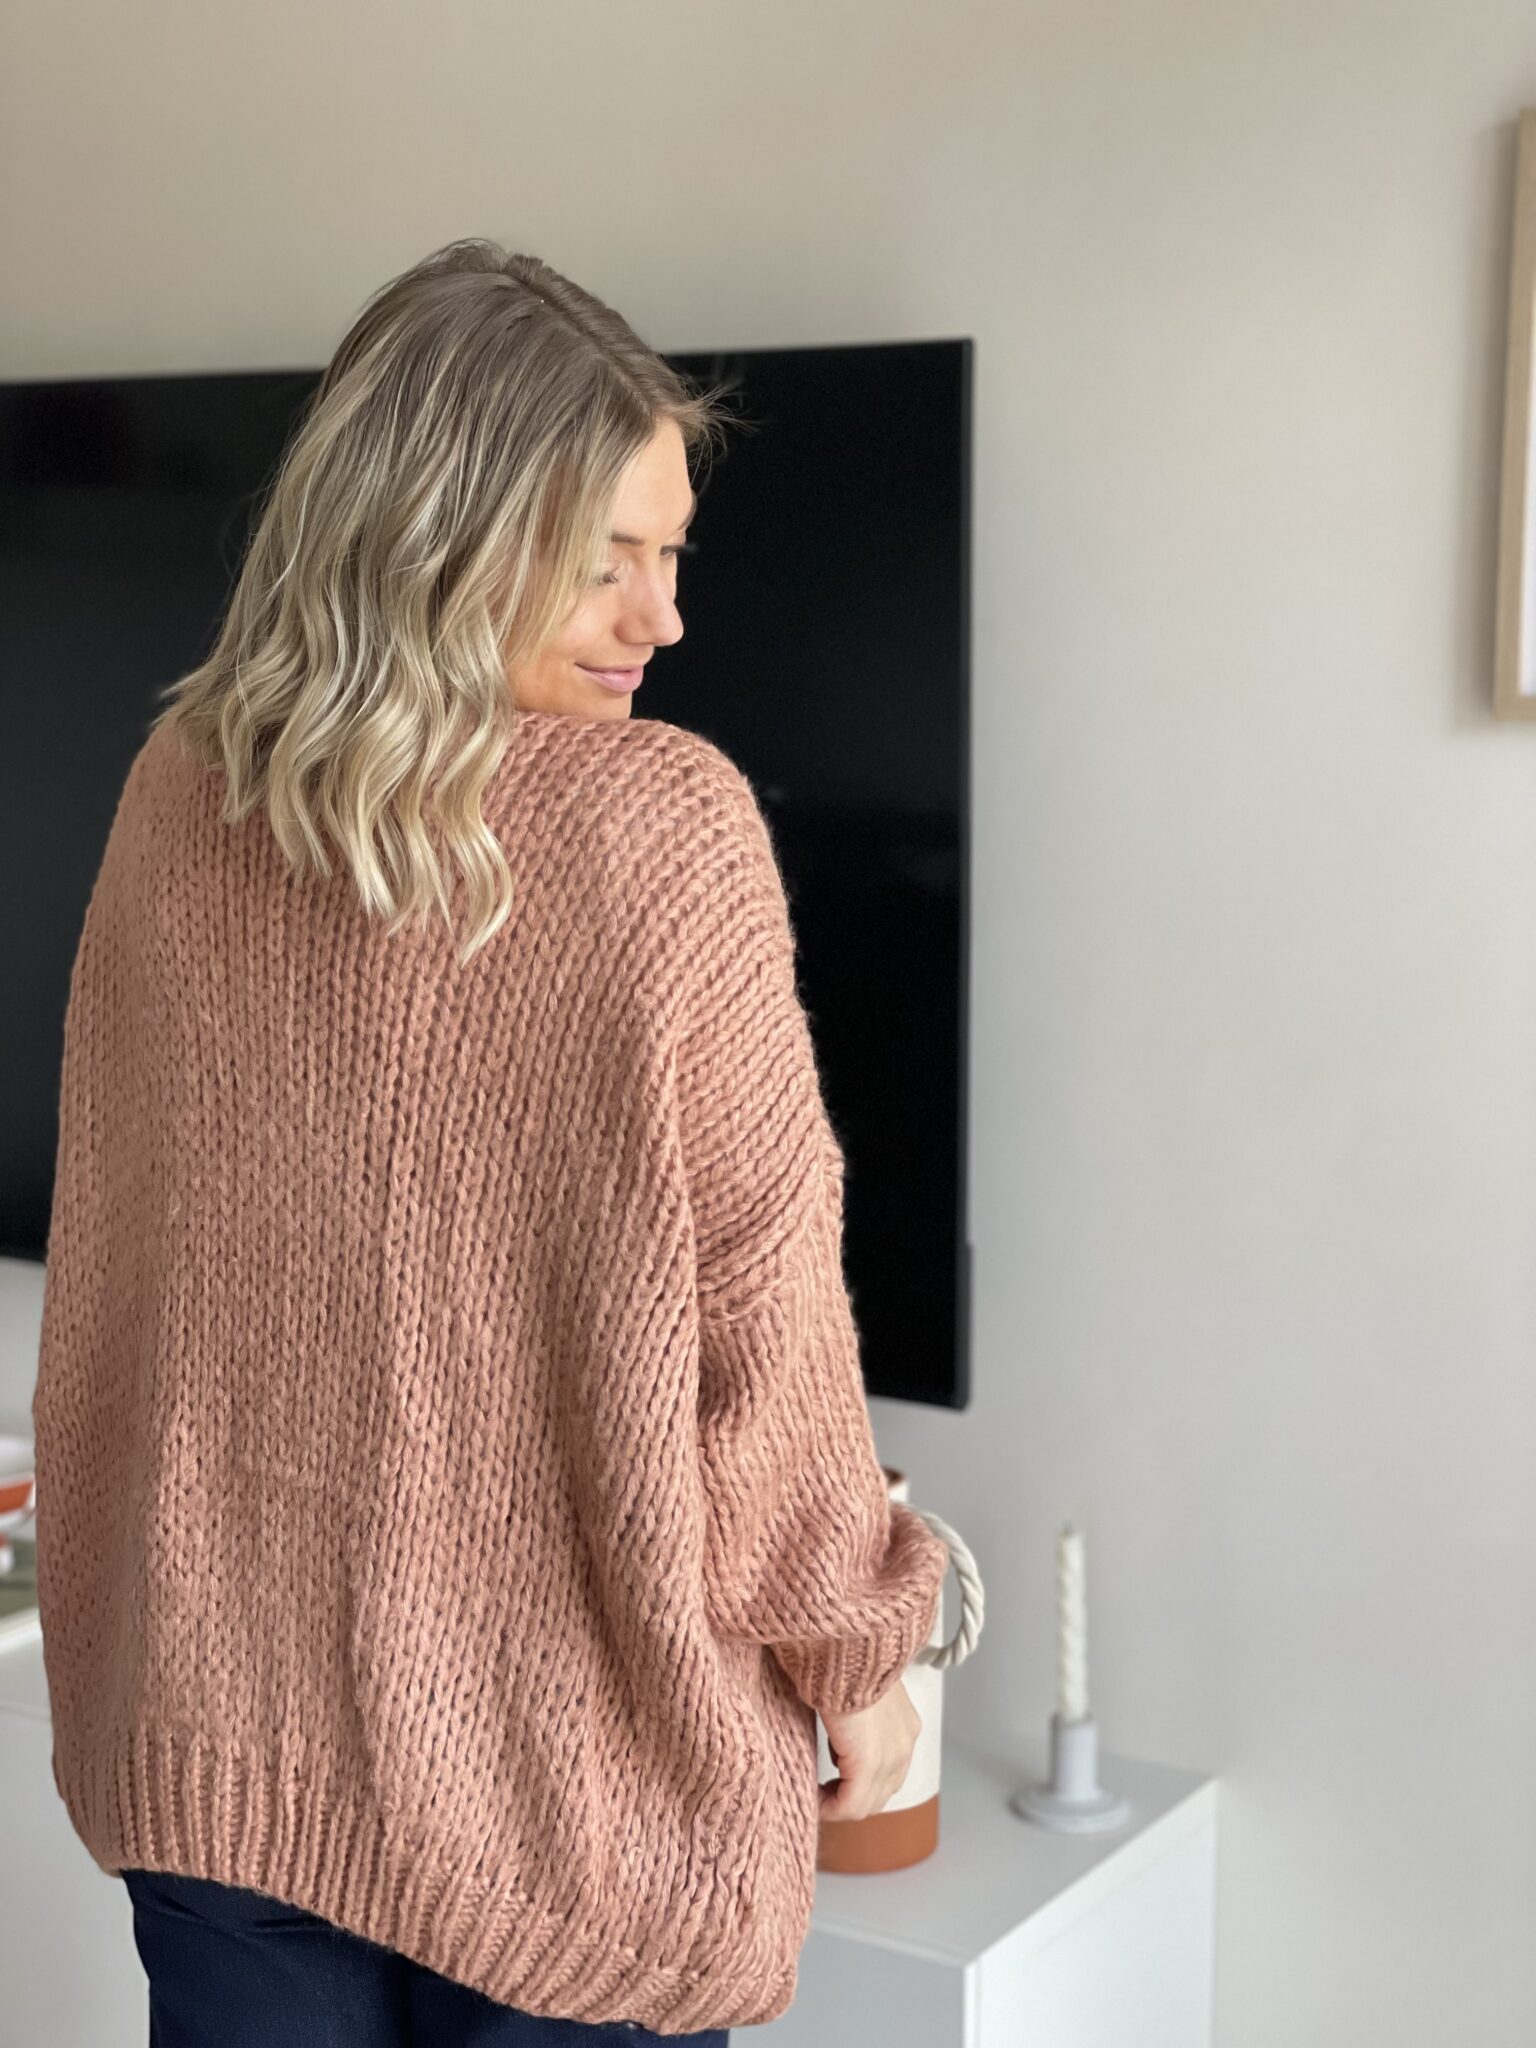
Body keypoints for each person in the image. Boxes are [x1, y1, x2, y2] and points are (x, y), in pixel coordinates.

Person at [30, 237, 951, 2045]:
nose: (661, 618)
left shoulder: (174, 793)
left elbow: (118, 1277)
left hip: (215, 1752)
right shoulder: (663, 828)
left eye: (673, 554)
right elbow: (763, 1321)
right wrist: (858, 1662)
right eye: (604, 559)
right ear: (434, 534)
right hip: (559, 1801)